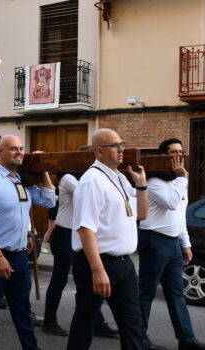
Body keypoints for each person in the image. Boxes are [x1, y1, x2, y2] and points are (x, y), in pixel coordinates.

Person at [0, 135, 55, 350]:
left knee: (22, 308)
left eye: (21, 148)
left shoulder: (20, 180)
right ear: (0, 152)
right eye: (13, 148)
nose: (19, 152)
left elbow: (49, 200)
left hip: (18, 256)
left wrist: (43, 170)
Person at [67, 128, 148, 350]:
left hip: (124, 264)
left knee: (133, 325)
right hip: (99, 263)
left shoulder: (120, 177)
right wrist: (98, 270)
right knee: (85, 322)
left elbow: (141, 214)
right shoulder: (91, 181)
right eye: (115, 145)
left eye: (122, 143)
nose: (122, 149)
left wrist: (141, 185)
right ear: (100, 151)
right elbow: (85, 229)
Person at [138, 139, 205, 350]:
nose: (179, 156)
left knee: (176, 293)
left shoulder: (177, 182)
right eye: (173, 152)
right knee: (146, 292)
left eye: (181, 152)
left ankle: (187, 340)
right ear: (163, 156)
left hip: (172, 244)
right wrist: (183, 178)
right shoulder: (153, 180)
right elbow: (171, 203)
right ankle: (139, 339)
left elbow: (179, 216)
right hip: (153, 240)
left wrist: (186, 244)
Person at [42, 172, 119, 338]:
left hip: (79, 235)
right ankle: (49, 321)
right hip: (64, 235)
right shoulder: (70, 178)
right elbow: (88, 196)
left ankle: (96, 323)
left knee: (87, 279)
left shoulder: (87, 180)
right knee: (59, 279)